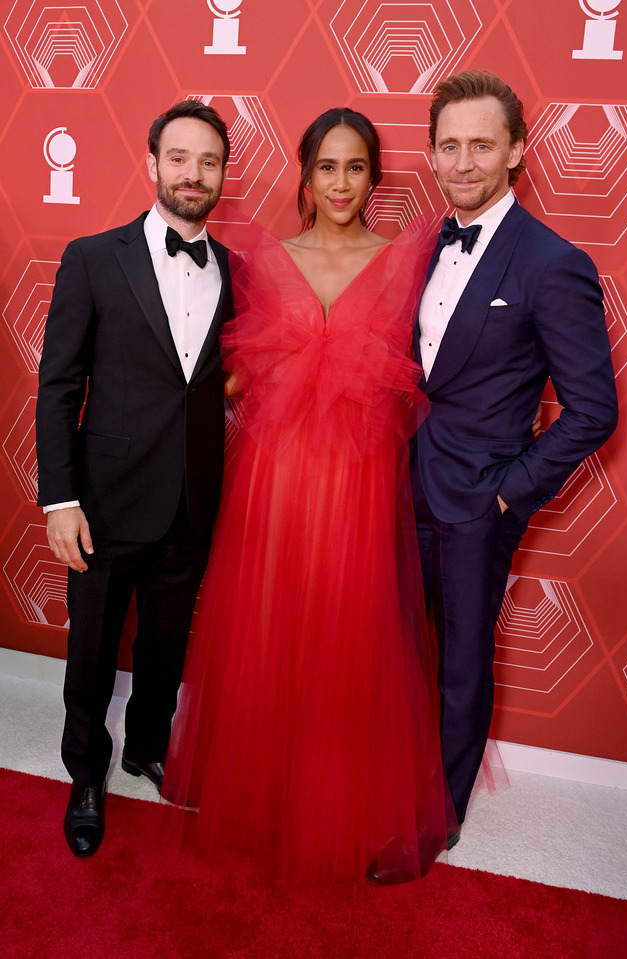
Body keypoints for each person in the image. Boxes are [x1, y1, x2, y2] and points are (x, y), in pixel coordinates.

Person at [162, 108, 449, 883]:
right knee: (272, 624)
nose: (341, 183)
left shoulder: (401, 262)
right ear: (306, 173)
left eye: (356, 167)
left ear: (374, 176)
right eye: (327, 166)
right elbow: (235, 371)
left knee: (348, 632)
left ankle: (340, 795)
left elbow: (414, 375)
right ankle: (267, 787)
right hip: (274, 474)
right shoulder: (263, 259)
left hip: (357, 479)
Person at [408, 71, 618, 857]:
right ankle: (391, 777)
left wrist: (507, 495)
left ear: (517, 151)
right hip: (403, 487)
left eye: (481, 145)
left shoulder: (552, 261)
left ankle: (437, 816)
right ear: (432, 153)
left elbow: (595, 410)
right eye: (450, 145)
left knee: (461, 663)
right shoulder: (425, 242)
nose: (463, 162)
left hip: (476, 503)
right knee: (398, 649)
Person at [35, 100, 234, 857]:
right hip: (103, 499)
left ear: (221, 175)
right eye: (179, 158)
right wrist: (60, 498)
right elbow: (59, 384)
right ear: (152, 165)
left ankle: (147, 745)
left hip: (191, 497)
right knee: (90, 647)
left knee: (167, 643)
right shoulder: (93, 256)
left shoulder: (235, 271)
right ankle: (84, 774)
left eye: (209, 161)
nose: (193, 173)